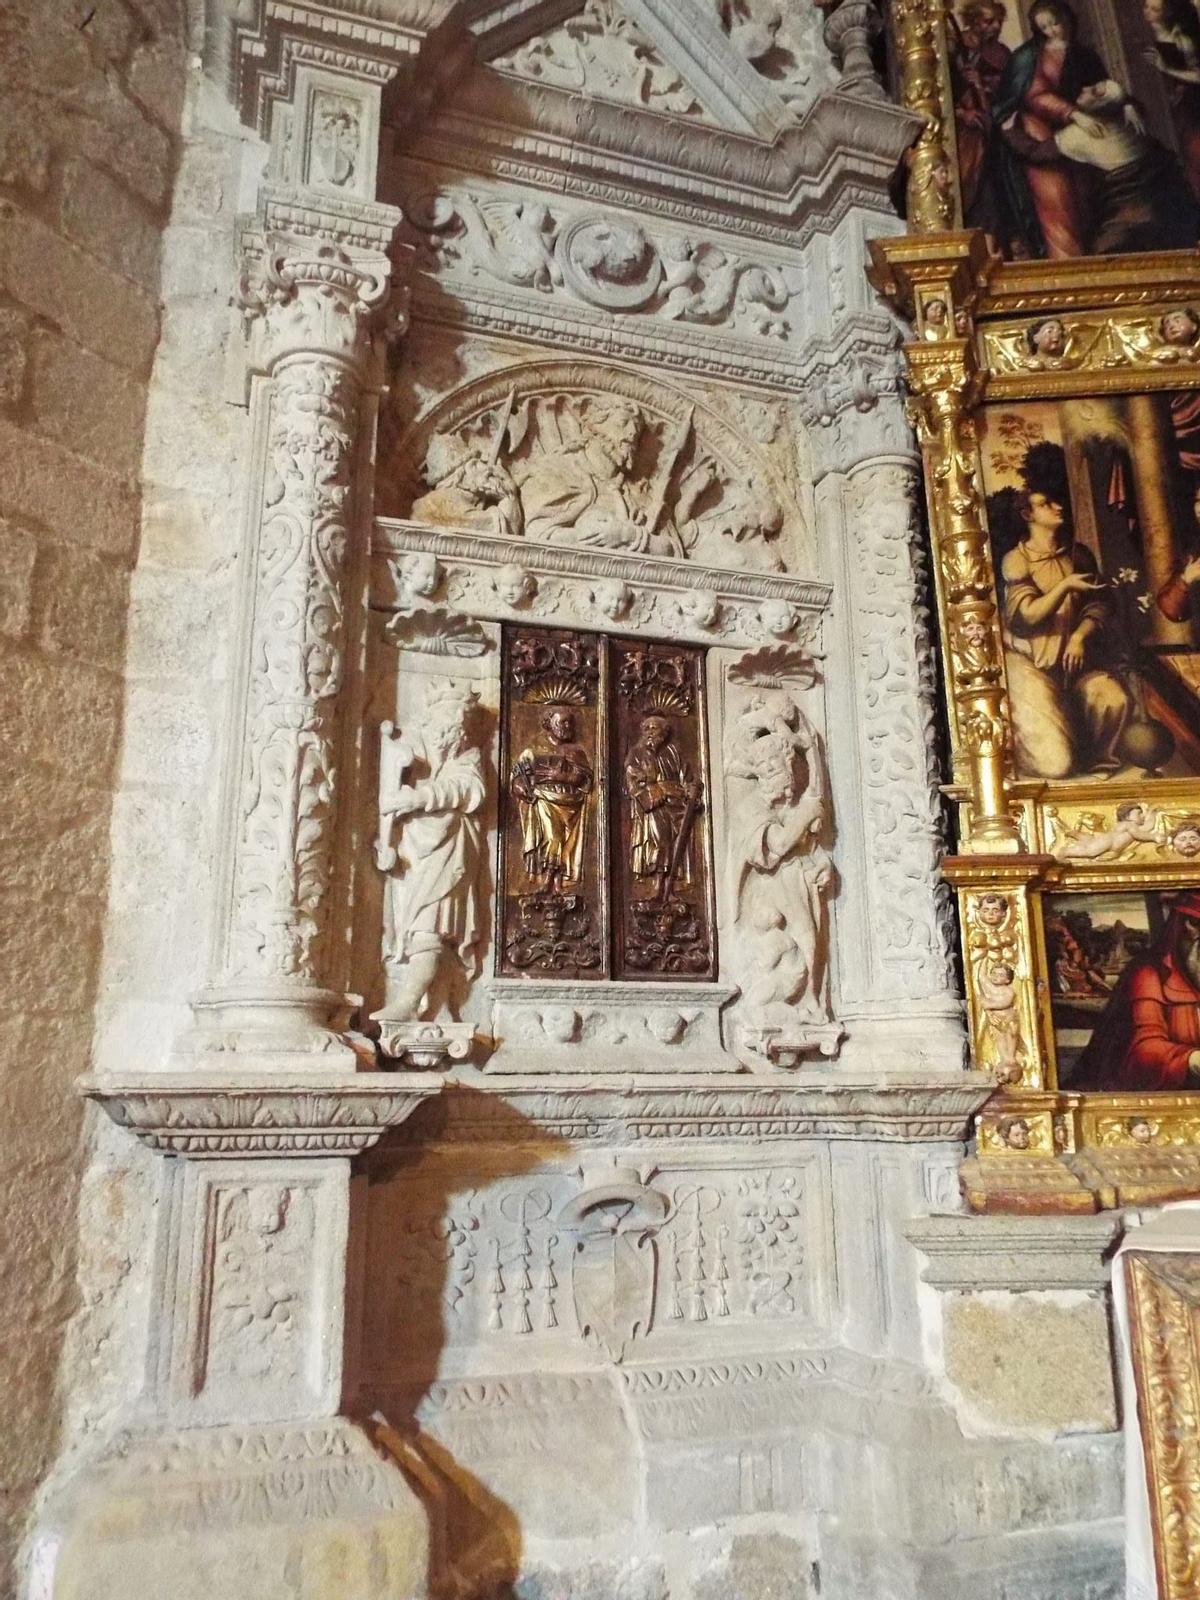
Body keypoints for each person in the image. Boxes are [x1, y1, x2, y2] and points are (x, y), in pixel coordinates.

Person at [1000, 487, 1133, 777]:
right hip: (1030, 665)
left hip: (1074, 664)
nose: (1058, 507)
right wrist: (1065, 586)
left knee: (1113, 699)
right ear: (1027, 515)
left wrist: (1079, 636)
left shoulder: (1077, 554)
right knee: (1055, 764)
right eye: (1046, 504)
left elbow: (1099, 603)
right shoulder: (1016, 559)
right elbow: (1023, 619)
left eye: (1056, 501)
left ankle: (1100, 763)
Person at [375, 691, 486, 1021]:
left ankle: (409, 1003)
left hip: (448, 854)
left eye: (458, 727)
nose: (451, 732)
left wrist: (419, 797)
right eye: (445, 724)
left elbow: (468, 789)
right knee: (419, 929)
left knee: (429, 928)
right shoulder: (419, 753)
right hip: (416, 855)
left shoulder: (467, 759)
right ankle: (434, 1008)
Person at [993, 0, 1109, 258]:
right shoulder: (1028, 57)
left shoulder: (1084, 56)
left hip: (1077, 136)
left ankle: (1090, 265)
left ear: (1066, 18)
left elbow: (1104, 90)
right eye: (1044, 27)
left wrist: (1126, 104)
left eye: (1055, 23)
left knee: (1085, 200)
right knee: (1057, 200)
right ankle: (1066, 265)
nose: (1052, 31)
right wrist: (1074, 113)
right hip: (1038, 133)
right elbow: (1034, 96)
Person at [1072, 891, 1200, 1090]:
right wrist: (1192, 1059)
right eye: (1196, 924)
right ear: (1180, 927)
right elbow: (1144, 1051)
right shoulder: (1148, 973)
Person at [510, 707, 594, 892]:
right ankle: (547, 879)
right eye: (562, 722)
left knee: (566, 843)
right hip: (544, 799)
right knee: (552, 837)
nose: (567, 726)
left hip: (571, 804)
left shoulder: (576, 752)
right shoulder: (533, 750)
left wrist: (565, 777)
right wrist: (520, 787)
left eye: (570, 722)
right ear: (549, 724)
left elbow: (586, 779)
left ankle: (558, 882)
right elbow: (517, 776)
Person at [950, 2, 1013, 231]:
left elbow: (1007, 91)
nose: (995, 27)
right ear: (973, 20)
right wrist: (961, 112)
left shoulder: (1001, 54)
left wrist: (981, 84)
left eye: (998, 21)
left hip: (989, 124)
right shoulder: (954, 45)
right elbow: (944, 86)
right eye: (989, 21)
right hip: (964, 127)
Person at [623, 715, 699, 899]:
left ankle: (670, 887)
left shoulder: (673, 752)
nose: (650, 732)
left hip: (677, 804)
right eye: (647, 728)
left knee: (676, 844)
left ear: (664, 733)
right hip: (654, 804)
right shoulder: (637, 753)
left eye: (654, 728)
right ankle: (658, 885)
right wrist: (650, 788)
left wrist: (690, 790)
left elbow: (687, 778)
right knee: (660, 841)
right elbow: (632, 778)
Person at [1142, 0, 1200, 204]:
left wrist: (1166, 69)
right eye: (1146, 6)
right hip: (1170, 106)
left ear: (1167, 13)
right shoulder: (1148, 37)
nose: (1148, 12)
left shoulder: (1181, 39)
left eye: (1155, 9)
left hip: (1191, 104)